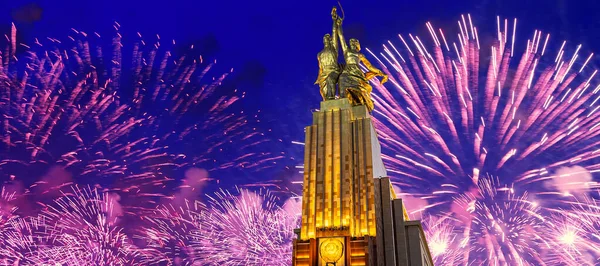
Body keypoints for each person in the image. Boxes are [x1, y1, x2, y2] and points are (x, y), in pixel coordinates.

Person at [336, 18, 388, 111]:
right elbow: (341, 37)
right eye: (351, 42)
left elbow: (369, 66)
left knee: (359, 89)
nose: (351, 43)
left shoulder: (360, 55)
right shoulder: (346, 51)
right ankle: (343, 106)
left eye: (353, 42)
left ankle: (360, 102)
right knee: (341, 80)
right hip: (347, 71)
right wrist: (338, 25)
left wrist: (381, 73)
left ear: (357, 45)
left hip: (357, 72)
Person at [315, 8, 342, 100]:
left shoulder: (333, 48)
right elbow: (320, 68)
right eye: (324, 39)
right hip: (324, 74)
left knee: (330, 79)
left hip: (334, 71)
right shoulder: (319, 54)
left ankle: (331, 99)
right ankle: (328, 101)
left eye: (327, 38)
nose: (325, 40)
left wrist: (334, 20)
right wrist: (319, 77)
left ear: (330, 40)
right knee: (324, 92)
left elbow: (334, 32)